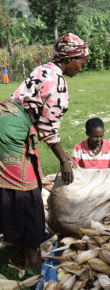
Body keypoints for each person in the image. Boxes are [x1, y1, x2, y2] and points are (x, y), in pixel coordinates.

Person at [0, 33, 88, 269]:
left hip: (6, 120)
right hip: (12, 132)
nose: (82, 67)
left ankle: (18, 243)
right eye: (81, 61)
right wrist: (64, 161)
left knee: (15, 188)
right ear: (69, 59)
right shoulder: (57, 82)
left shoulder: (44, 68)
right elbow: (47, 129)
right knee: (26, 194)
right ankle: (32, 258)